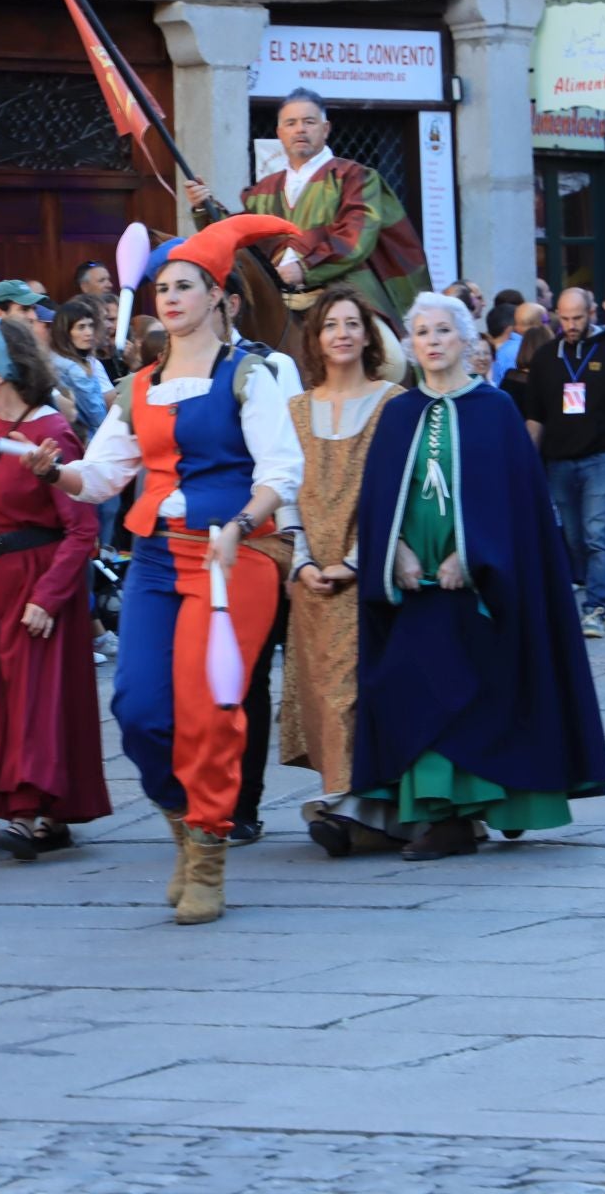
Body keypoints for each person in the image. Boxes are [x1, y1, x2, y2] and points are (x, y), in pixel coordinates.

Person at [26, 214, 304, 924]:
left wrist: (241, 526)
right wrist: (53, 473)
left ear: (219, 297)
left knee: (209, 712)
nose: (170, 299)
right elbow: (100, 479)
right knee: (140, 710)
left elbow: (282, 469)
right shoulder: (139, 387)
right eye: (162, 288)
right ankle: (184, 821)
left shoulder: (254, 374)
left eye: (186, 286)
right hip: (155, 556)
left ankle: (208, 851)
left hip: (231, 559)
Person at [348, 292, 605, 858]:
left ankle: (476, 810)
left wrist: (469, 558)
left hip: (480, 590)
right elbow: (375, 503)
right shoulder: (397, 415)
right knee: (418, 683)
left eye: (443, 330)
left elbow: (517, 508)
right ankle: (443, 811)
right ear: (410, 344)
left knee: (481, 691)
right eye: (422, 332)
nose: (433, 340)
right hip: (414, 588)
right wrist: (394, 551)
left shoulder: (494, 411)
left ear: (466, 341)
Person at [0, 319, 109, 860]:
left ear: (0, 370)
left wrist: (49, 595)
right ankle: (47, 810)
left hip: (36, 578)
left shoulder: (52, 433)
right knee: (9, 696)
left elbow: (82, 529)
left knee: (36, 698)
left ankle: (25, 809)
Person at [276, 287, 402, 856]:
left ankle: (352, 803)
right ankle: (345, 800)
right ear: (316, 337)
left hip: (368, 572)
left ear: (369, 337)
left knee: (355, 687)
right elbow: (283, 488)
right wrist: (301, 560)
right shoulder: (296, 410)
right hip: (309, 577)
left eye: (353, 324)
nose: (343, 334)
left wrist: (355, 561)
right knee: (322, 688)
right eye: (331, 325)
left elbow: (398, 493)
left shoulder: (393, 403)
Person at [234, 88, 430, 324]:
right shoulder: (264, 189)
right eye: (291, 123)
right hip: (278, 298)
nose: (300, 129)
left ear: (325, 129)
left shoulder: (356, 177)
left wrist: (304, 268)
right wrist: (204, 207)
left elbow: (356, 239)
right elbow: (240, 236)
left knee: (392, 359)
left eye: (309, 122)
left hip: (350, 293)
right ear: (280, 132)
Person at [523, 287, 605, 639]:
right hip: (559, 460)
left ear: (591, 313)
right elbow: (535, 416)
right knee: (574, 539)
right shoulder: (545, 358)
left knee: (596, 533)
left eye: (577, 317)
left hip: (600, 457)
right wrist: (527, 462)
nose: (571, 325)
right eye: (565, 318)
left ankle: (595, 607)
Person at [46, 298, 107, 439]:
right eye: (81, 327)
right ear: (66, 332)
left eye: (91, 325)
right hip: (87, 442)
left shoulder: (54, 358)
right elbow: (98, 417)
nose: (89, 332)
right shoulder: (74, 369)